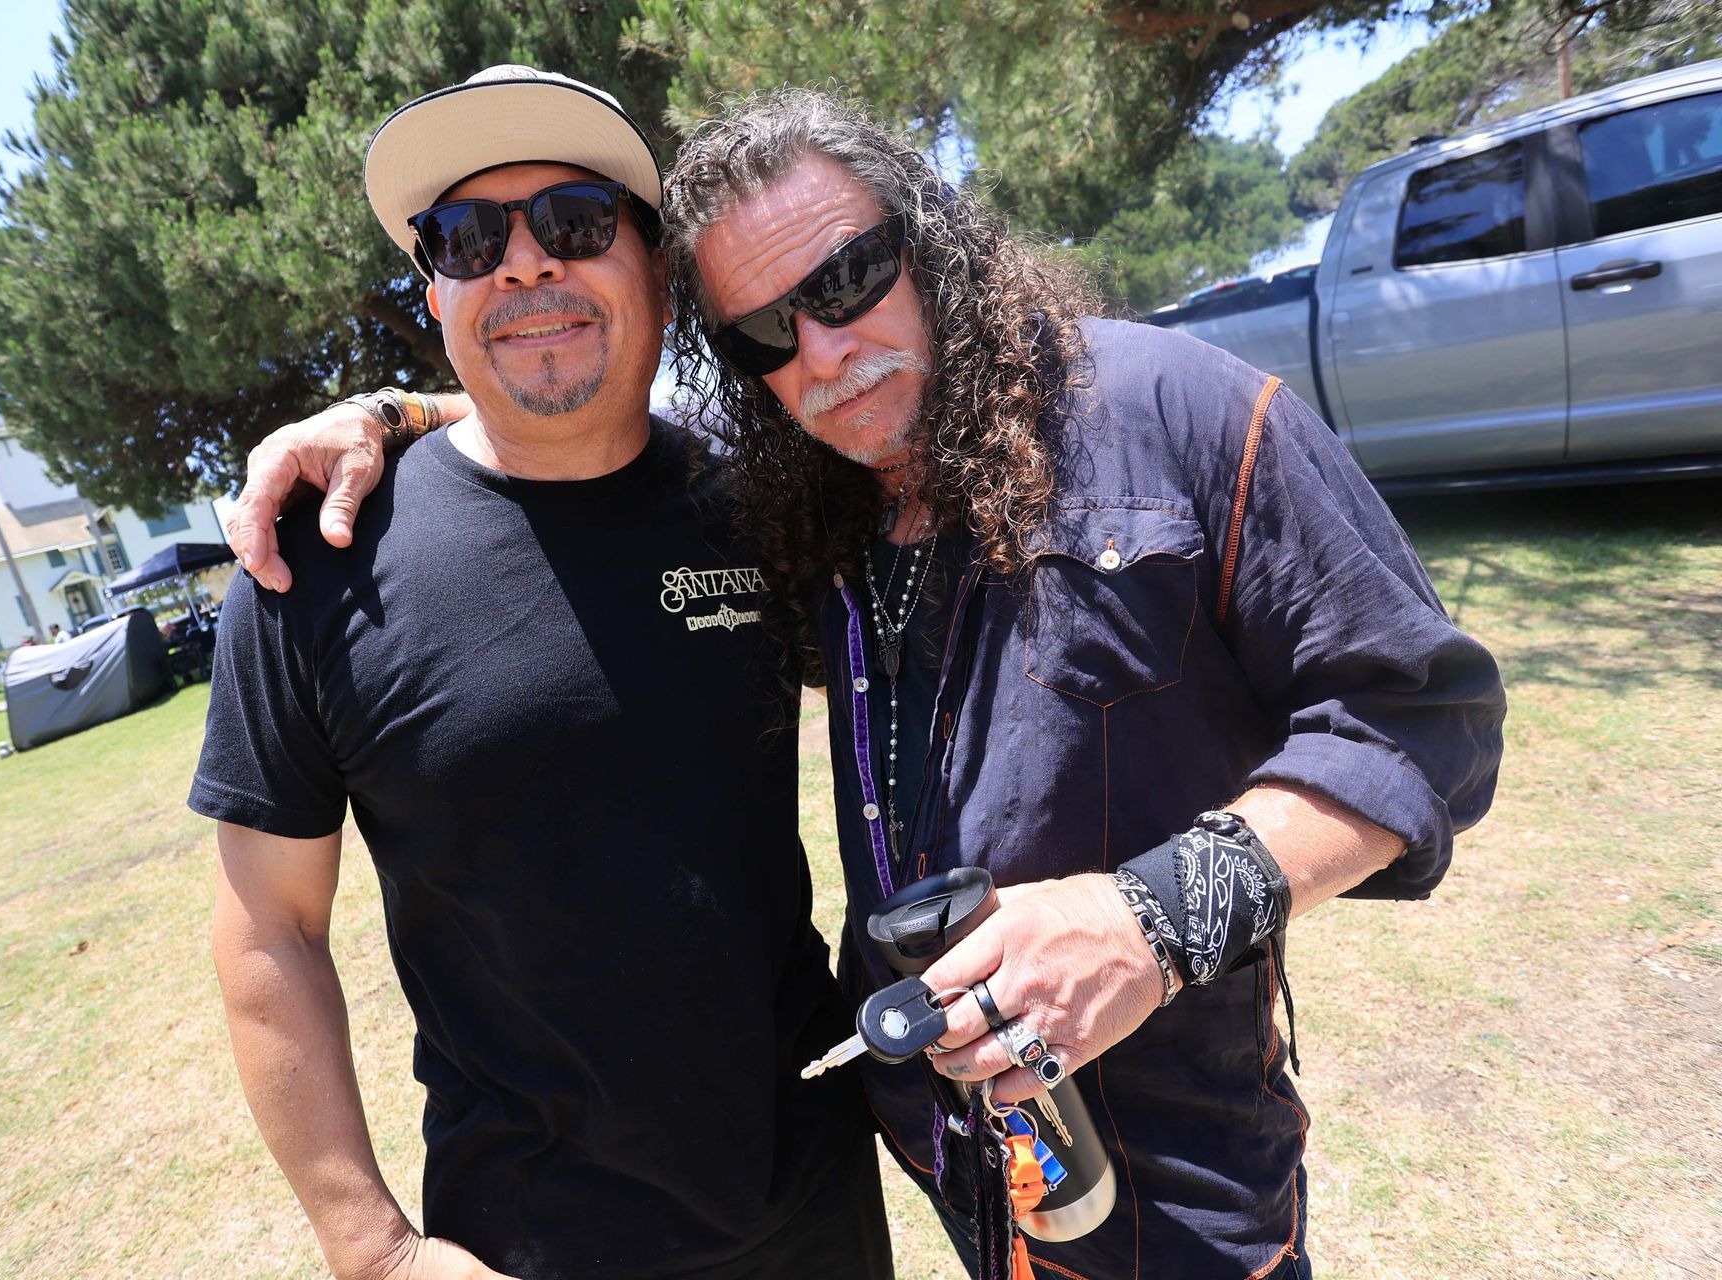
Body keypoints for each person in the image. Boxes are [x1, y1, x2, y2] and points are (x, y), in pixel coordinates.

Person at [230, 89, 1506, 1279]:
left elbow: (1418, 717)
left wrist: (1146, 923)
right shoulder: (810, 503)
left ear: (931, 236)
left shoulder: (1175, 412)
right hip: (936, 1181)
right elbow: (553, 427)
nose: (826, 349)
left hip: (1151, 1195)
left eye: (847, 277)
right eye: (766, 333)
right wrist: (393, 413)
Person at [189, 67, 892, 1280]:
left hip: (816, 1201)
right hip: (521, 1243)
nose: (523, 264)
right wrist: (374, 1250)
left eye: (574, 220)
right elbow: (269, 931)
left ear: (657, 273)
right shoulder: (313, 562)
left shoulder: (762, 501)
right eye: (469, 237)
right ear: (437, 293)